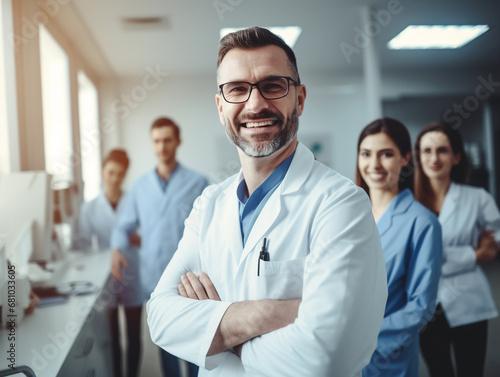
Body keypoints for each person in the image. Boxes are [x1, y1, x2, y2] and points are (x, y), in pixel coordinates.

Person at [147, 26, 388, 376]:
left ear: (300, 98)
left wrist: (218, 331)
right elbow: (161, 318)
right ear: (220, 106)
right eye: (237, 89)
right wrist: (267, 314)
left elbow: (326, 356)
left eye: (273, 86)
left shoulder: (341, 204)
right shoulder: (209, 204)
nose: (255, 104)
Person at [111, 118, 208, 377]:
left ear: (178, 141)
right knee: (168, 347)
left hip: (191, 279)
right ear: (151, 144)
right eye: (156, 141)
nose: (162, 146)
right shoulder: (140, 187)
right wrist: (117, 249)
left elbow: (212, 230)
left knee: (196, 347)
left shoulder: (198, 183)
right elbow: (124, 227)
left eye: (167, 140)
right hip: (156, 278)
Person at [355, 118, 442, 377]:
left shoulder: (422, 222)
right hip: (338, 355)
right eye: (366, 154)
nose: (374, 165)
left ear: (405, 159)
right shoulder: (348, 215)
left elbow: (421, 306)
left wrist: (361, 338)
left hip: (386, 356)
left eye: (386, 155)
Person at [415, 122, 500, 377]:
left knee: (471, 370)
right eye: (426, 150)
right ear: (418, 157)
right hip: (426, 302)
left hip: (468, 297)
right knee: (438, 371)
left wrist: (488, 248)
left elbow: (494, 239)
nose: (434, 157)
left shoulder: (478, 198)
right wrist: (472, 254)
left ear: (456, 157)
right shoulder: (408, 201)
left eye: (442, 150)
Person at [74, 149, 143, 377]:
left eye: (120, 174)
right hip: (106, 280)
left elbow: (148, 237)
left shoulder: (135, 202)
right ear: (103, 172)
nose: (115, 179)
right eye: (111, 173)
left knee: (134, 335)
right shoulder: (89, 208)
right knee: (111, 337)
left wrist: (130, 238)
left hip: (132, 274)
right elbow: (84, 246)